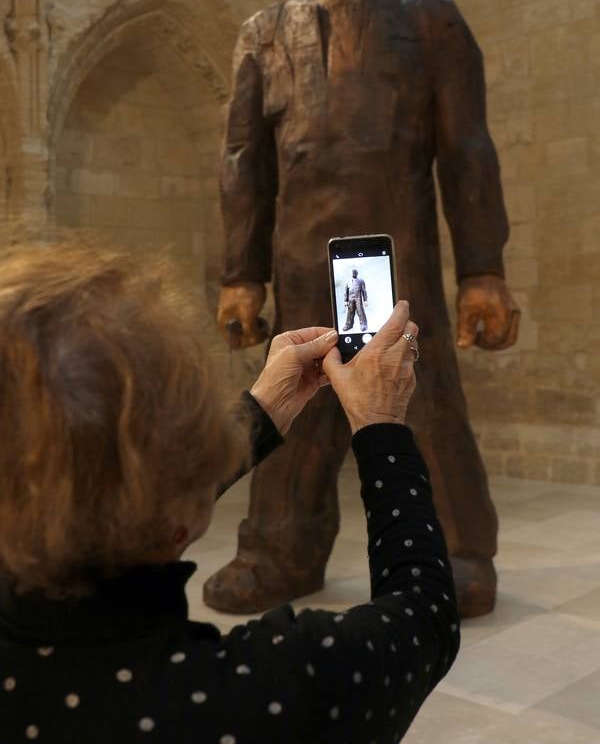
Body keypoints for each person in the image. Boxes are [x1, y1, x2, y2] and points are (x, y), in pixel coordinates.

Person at [213, 0, 520, 618]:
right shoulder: (264, 31)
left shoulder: (430, 20)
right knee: (297, 401)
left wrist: (483, 268)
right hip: (299, 261)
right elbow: (243, 166)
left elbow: (468, 150)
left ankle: (454, 551)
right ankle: (279, 550)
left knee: (420, 396)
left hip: (397, 253)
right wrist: (240, 276)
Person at [0, 242, 459, 744]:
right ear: (180, 512)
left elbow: (116, 491)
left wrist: (264, 409)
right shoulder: (270, 689)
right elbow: (424, 616)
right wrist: (380, 423)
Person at [343, 268, 368, 332]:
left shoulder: (360, 281)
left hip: (358, 298)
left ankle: (363, 325)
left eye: (355, 272)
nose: (354, 273)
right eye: (353, 272)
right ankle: (348, 325)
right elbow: (346, 291)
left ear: (357, 273)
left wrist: (365, 300)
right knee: (350, 312)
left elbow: (364, 291)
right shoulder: (348, 281)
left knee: (360, 311)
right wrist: (345, 301)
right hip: (350, 299)